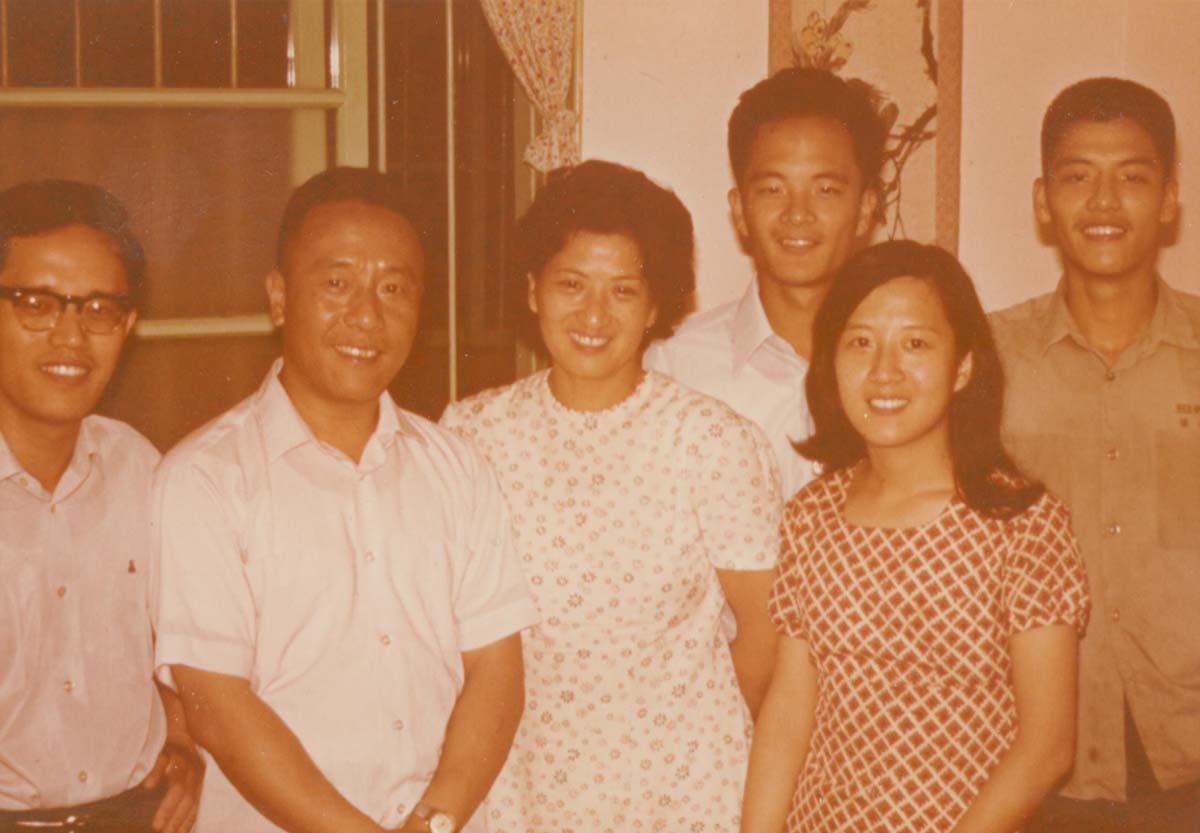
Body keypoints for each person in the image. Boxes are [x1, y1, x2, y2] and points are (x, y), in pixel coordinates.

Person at [152, 167, 539, 833]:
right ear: (279, 298)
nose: (366, 315)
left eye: (393, 288)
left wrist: (435, 819)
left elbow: (496, 670)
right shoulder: (206, 478)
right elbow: (216, 703)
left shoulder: (458, 468)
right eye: (337, 284)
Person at [441, 160, 782, 832]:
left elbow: (766, 633)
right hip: (521, 788)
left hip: (680, 798)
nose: (593, 314)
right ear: (533, 289)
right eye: (571, 283)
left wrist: (683, 735)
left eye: (623, 290)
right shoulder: (472, 434)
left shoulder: (712, 441)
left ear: (656, 306)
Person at [742, 240, 1090, 833]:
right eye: (860, 342)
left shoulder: (1023, 524)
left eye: (916, 344)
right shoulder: (811, 515)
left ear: (963, 367)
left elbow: (1047, 747)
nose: (884, 372)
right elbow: (788, 711)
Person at [992, 77, 1200, 833]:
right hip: (1035, 769)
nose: (1104, 203)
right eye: (1078, 178)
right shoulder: (984, 359)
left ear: (1169, 200)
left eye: (1132, 178)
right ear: (1044, 201)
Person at [0, 180, 203, 833]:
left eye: (98, 309)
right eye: (36, 304)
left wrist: (184, 741)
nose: (70, 335)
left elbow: (178, 640)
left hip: (137, 817)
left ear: (128, 326)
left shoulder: (141, 469)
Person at [644, 67, 886, 498]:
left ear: (866, 208)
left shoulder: (905, 368)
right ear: (739, 210)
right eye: (773, 189)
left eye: (826, 190)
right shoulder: (671, 371)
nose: (798, 214)